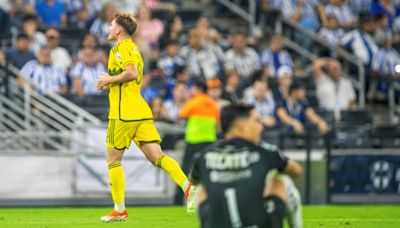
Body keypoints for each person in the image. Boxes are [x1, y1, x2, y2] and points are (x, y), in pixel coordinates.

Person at [96, 13, 196, 222]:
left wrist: (108, 79)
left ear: (118, 30)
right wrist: (111, 81)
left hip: (123, 114)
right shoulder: (134, 48)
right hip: (141, 111)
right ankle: (188, 187)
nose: (108, 28)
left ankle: (119, 209)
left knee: (113, 160)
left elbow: (131, 73)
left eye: (111, 25)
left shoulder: (120, 49)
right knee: (157, 157)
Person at [190, 103, 303, 228]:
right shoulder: (265, 151)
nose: (261, 127)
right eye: (256, 121)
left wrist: (225, 176)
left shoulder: (205, 154)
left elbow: (192, 181)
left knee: (201, 188)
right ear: (241, 126)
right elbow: (296, 171)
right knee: (282, 180)